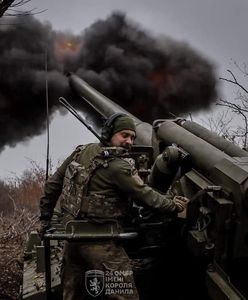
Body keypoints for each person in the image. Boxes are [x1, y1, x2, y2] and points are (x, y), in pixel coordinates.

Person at [38, 113, 188, 300]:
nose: (129, 141)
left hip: (72, 239)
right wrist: (174, 206)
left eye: (132, 137)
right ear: (109, 134)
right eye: (124, 135)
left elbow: (53, 184)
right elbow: (146, 196)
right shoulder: (119, 167)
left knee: (73, 294)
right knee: (124, 295)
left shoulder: (80, 152)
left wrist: (44, 218)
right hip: (102, 243)